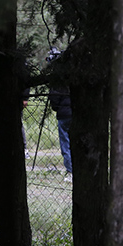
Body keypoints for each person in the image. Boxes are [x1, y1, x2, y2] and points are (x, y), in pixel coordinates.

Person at [47, 47, 73, 180]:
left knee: (66, 144)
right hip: (75, 112)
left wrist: (57, 108)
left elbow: (54, 98)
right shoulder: (74, 73)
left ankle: (70, 171)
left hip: (64, 114)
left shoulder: (57, 78)